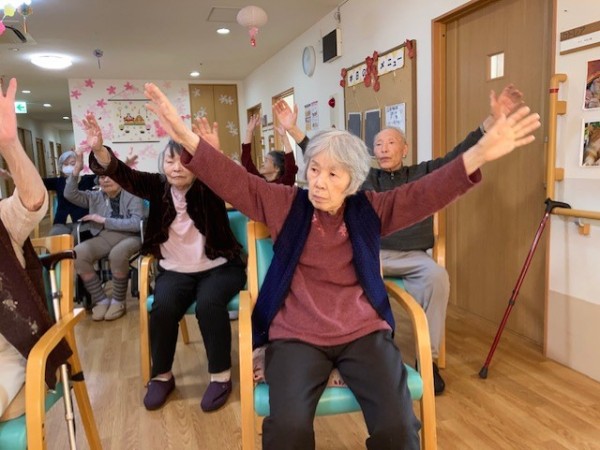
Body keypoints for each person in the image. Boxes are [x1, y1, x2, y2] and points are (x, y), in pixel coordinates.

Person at [144, 82, 540, 449]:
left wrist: (480, 152)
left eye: (333, 174)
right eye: (314, 169)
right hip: (296, 336)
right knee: (288, 430)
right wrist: (184, 134)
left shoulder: (371, 208)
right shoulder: (286, 204)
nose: (318, 182)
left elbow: (426, 192)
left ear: (353, 182)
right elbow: (236, 182)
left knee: (398, 427)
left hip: (363, 333)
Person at [273, 85, 524, 395]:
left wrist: (490, 123)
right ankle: (374, 353)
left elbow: (461, 157)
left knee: (437, 277)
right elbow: (326, 157)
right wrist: (294, 130)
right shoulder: (364, 178)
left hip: (413, 256)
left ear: (405, 149)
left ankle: (428, 359)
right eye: (378, 144)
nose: (383, 148)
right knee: (352, 277)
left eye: (391, 142)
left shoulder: (423, 173)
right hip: (372, 254)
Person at [83, 113, 246, 413]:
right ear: (163, 165)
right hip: (175, 271)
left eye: (185, 161)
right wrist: (99, 151)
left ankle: (221, 376)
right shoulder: (157, 187)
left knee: (209, 304)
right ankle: (162, 376)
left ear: (197, 166)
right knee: (163, 307)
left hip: (219, 268)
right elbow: (123, 174)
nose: (176, 167)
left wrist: (214, 158)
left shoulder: (209, 185)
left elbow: (235, 183)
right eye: (170, 161)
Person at [0, 78, 71, 421]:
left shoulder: (4, 220)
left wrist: (10, 144)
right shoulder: (72, 182)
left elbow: (33, 202)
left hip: (10, 353)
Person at [64, 150, 144, 322]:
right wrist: (76, 171)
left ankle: (118, 301)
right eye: (101, 177)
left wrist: (103, 220)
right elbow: (69, 194)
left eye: (110, 176)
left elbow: (136, 223)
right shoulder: (96, 196)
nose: (105, 180)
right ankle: (100, 299)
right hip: (106, 237)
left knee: (117, 254)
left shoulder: (133, 193)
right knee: (78, 253)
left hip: (131, 237)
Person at [43, 150, 97, 236]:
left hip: (83, 221)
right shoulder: (58, 181)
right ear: (61, 167)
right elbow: (38, 182)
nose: (69, 166)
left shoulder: (88, 179)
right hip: (61, 222)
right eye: (66, 164)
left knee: (77, 237)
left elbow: (105, 175)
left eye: (73, 163)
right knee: (54, 236)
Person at [241, 108, 298, 185]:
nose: (262, 163)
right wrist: (249, 131)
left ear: (277, 168)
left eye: (266, 160)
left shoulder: (285, 183)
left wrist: (284, 137)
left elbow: (290, 166)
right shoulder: (260, 181)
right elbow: (246, 161)